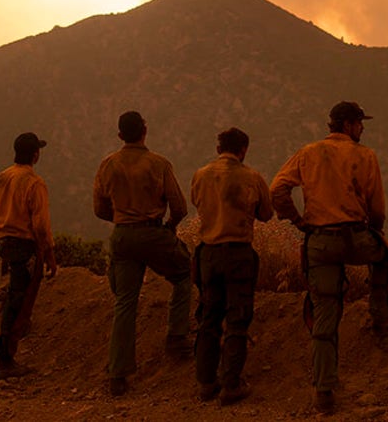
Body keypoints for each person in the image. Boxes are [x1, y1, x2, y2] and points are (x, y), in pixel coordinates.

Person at [270, 101, 388, 415]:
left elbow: (278, 190)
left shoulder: (308, 153)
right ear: (348, 125)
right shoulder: (364, 155)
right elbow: (378, 209)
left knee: (326, 315)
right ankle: (381, 319)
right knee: (387, 262)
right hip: (356, 237)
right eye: (359, 123)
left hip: (320, 242)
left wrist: (299, 221)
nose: (362, 129)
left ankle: (324, 390)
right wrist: (375, 233)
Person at [93, 110, 193, 397]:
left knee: (125, 302)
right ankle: (176, 338)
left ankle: (118, 375)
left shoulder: (107, 165)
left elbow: (99, 209)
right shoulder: (158, 164)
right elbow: (180, 208)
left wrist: (123, 219)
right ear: (144, 131)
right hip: (152, 232)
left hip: (123, 235)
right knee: (185, 274)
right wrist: (168, 229)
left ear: (120, 135)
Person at [189, 127, 275, 405]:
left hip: (208, 255)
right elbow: (266, 214)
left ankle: (205, 383)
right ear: (243, 150)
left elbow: (196, 203)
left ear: (218, 149)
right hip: (238, 253)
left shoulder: (201, 175)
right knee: (237, 320)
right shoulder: (252, 177)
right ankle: (231, 384)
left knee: (208, 318)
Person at [0, 131, 58, 375]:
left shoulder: (0, 178)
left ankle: (7, 351)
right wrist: (49, 254)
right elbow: (40, 226)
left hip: (4, 243)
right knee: (20, 302)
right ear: (35, 155)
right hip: (24, 246)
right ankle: (6, 358)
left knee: (14, 297)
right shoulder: (34, 183)